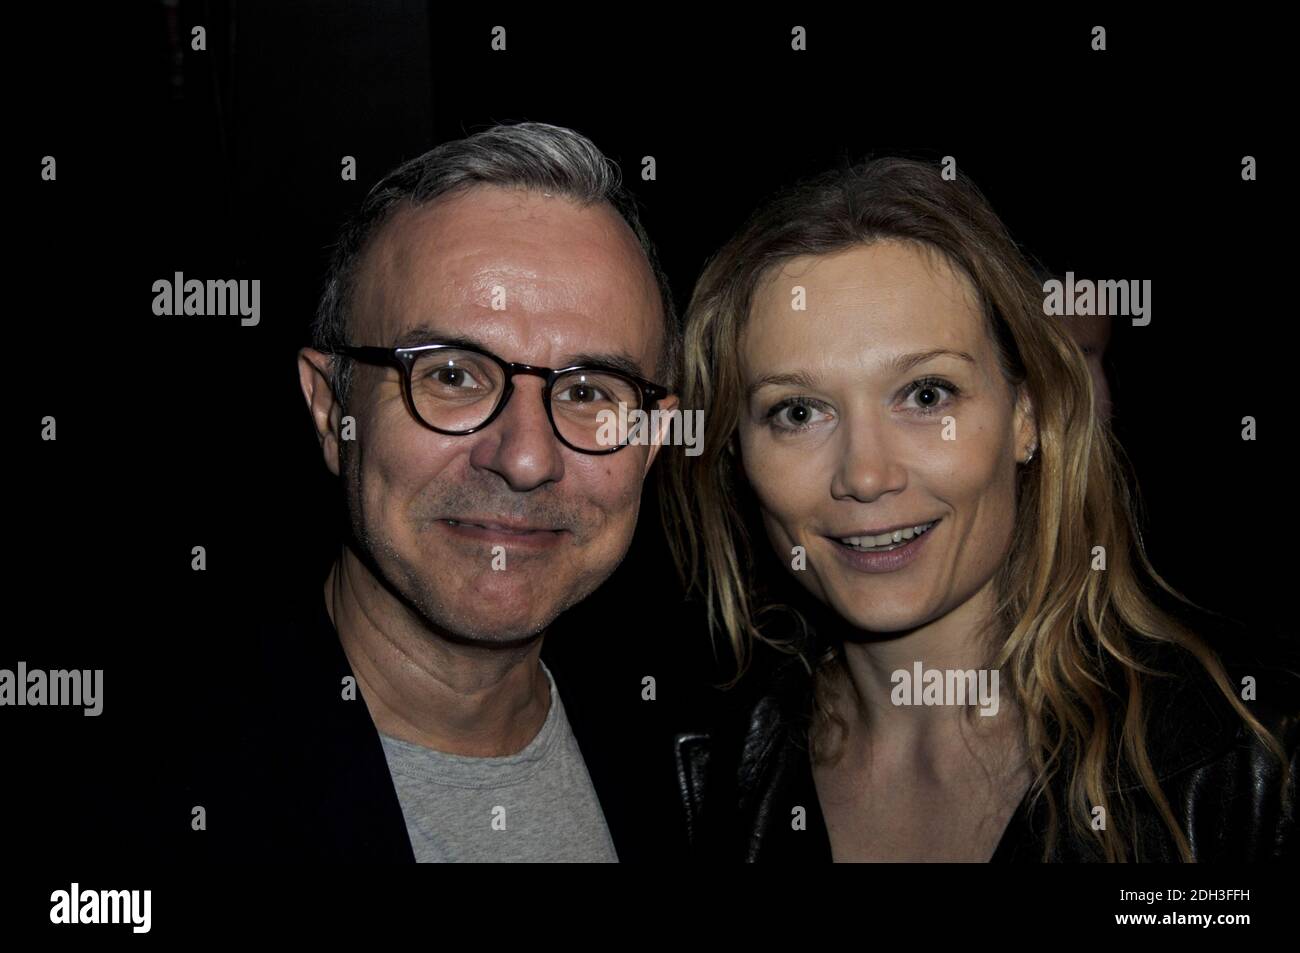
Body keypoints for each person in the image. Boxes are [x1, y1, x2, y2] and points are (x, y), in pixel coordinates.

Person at [664, 156, 1298, 862]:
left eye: (927, 394)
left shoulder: (1247, 765)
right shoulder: (696, 776)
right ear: (734, 451)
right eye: (799, 410)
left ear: (1026, 414)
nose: (867, 475)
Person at [189, 121, 688, 862]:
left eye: (588, 390)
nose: (524, 458)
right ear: (332, 408)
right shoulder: (140, 798)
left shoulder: (700, 769)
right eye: (452, 373)